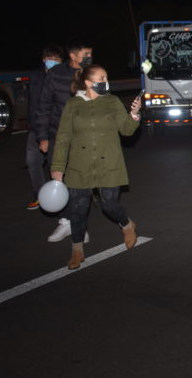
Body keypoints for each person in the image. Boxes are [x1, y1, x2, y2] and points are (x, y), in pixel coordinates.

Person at [50, 64, 141, 270]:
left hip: (108, 163)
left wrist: (134, 115)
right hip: (78, 166)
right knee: (78, 210)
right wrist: (58, 166)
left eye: (106, 77)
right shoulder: (73, 105)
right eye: (102, 77)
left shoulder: (112, 101)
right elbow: (63, 137)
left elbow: (126, 130)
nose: (106, 81)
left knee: (109, 205)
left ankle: (127, 225)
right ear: (88, 82)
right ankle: (77, 250)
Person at [34, 39, 94, 242]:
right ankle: (65, 222)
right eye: (86, 54)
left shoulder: (93, 73)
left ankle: (78, 226)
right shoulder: (56, 74)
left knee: (79, 182)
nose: (89, 58)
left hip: (83, 136)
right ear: (73, 55)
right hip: (57, 136)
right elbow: (44, 106)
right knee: (58, 179)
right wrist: (42, 137)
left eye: (91, 54)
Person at [25, 44, 63, 210]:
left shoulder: (64, 78)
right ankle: (40, 196)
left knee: (55, 165)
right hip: (37, 127)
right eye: (49, 59)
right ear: (43, 60)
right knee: (32, 161)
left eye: (56, 59)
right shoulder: (36, 77)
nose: (52, 62)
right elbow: (34, 103)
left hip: (56, 129)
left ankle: (60, 198)